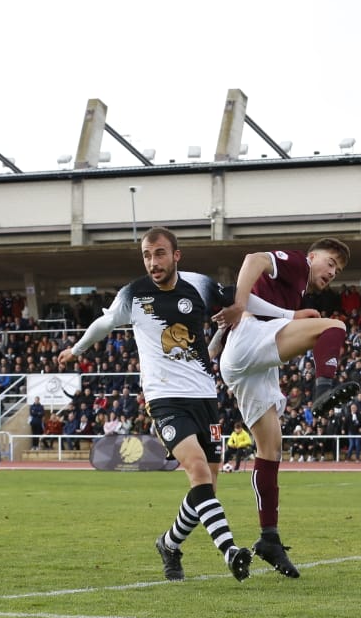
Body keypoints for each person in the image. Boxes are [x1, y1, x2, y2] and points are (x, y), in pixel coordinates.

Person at [58, 226, 253, 582]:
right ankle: (229, 551)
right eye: (147, 255)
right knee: (196, 470)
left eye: (160, 253)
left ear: (176, 255)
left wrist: (242, 315)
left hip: (205, 396)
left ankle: (169, 544)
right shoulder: (133, 294)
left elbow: (239, 303)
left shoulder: (199, 284)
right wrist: (76, 350)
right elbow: (104, 324)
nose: (153, 262)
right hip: (164, 399)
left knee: (206, 484)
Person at [211, 238, 358, 577]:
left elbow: (253, 304)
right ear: (311, 257)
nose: (333, 272)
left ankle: (269, 538)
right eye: (331, 262)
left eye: (338, 269)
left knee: (271, 449)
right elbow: (253, 259)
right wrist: (238, 304)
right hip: (251, 340)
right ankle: (323, 389)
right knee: (335, 327)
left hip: (246, 359)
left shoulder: (294, 291)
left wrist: (287, 314)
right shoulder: (297, 263)